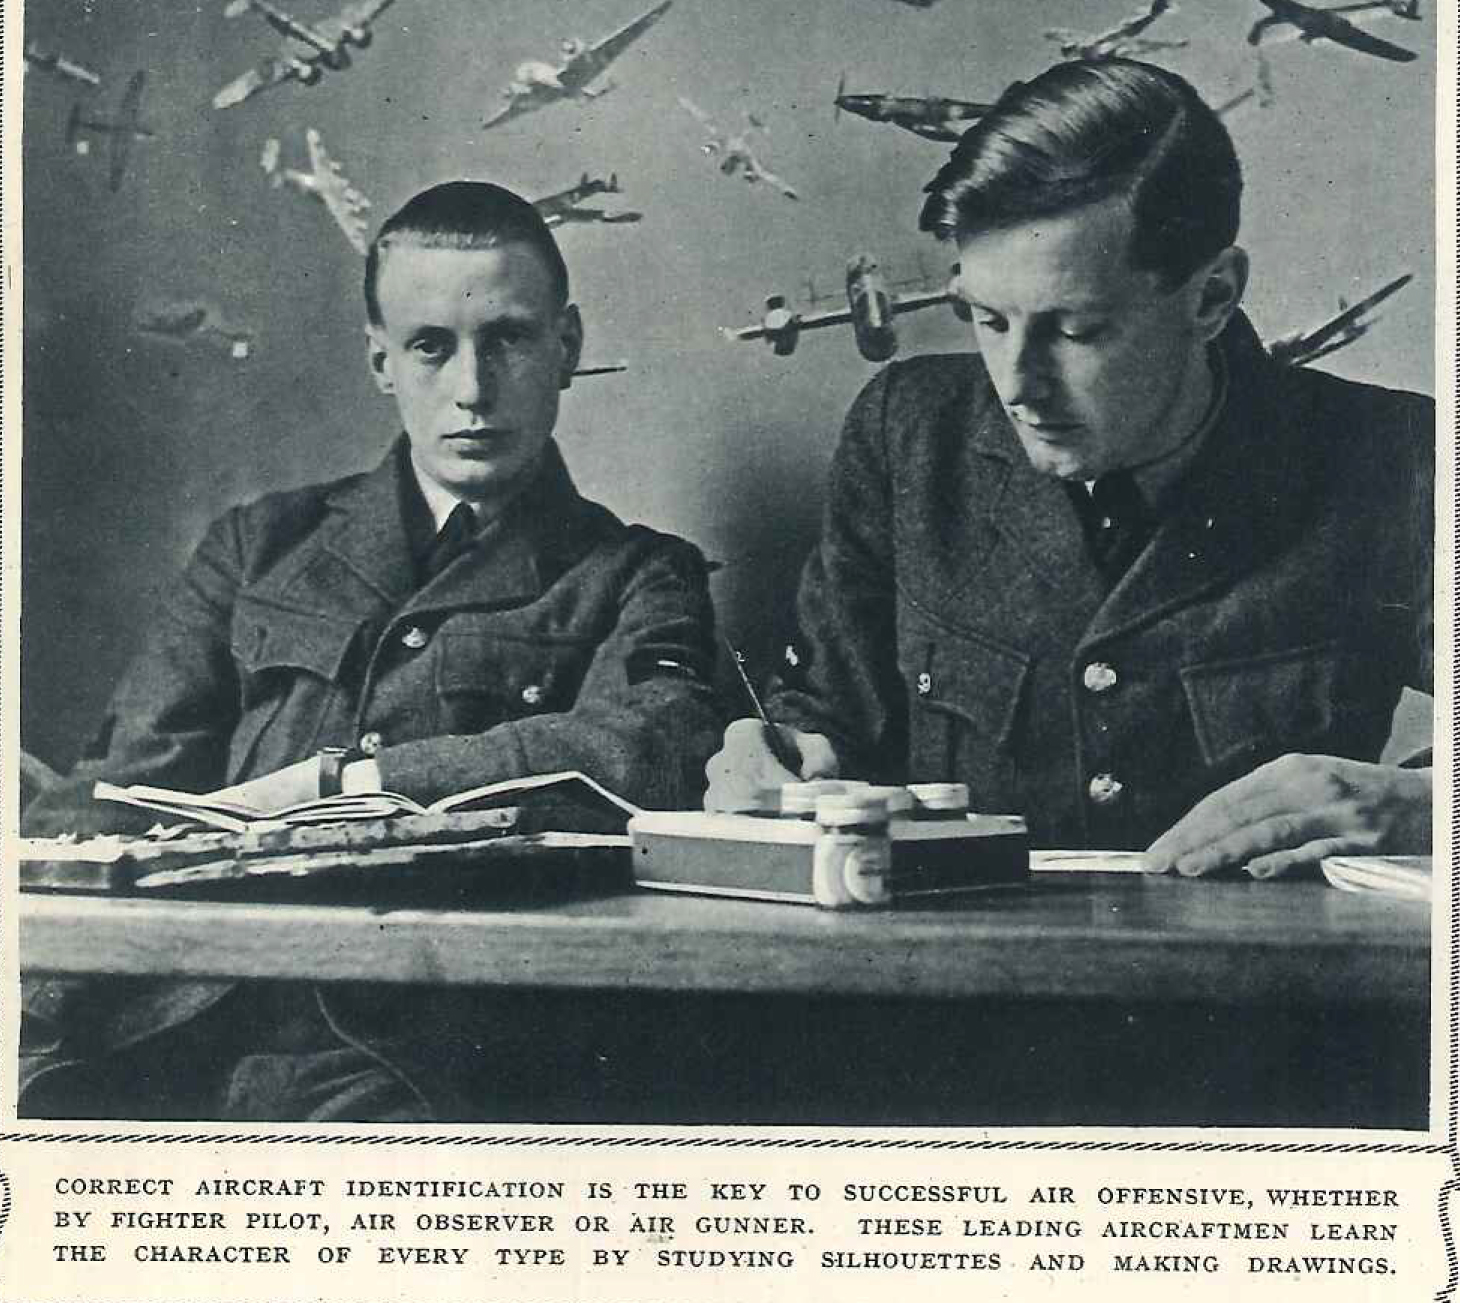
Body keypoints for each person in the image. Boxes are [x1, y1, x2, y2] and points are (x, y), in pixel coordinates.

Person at [23, 180, 720, 1120]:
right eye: (432, 346)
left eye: (509, 339)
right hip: (173, 1029)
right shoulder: (257, 546)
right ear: (381, 361)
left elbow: (658, 751)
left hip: (425, 1056)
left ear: (568, 347)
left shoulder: (638, 575)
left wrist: (353, 783)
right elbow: (121, 794)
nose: (472, 389)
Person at [707, 60, 1432, 876]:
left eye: (1076, 331)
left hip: (1266, 959)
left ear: (1212, 297)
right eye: (987, 320)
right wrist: (775, 756)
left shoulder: (1396, 456)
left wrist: (1426, 807)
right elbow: (829, 721)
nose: (1018, 384)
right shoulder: (905, 432)